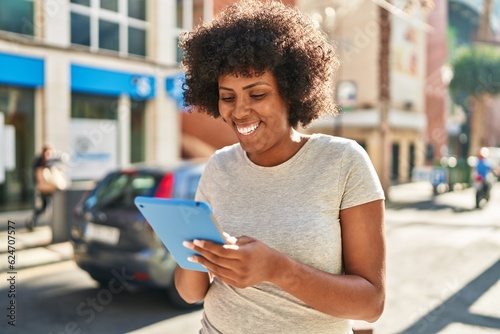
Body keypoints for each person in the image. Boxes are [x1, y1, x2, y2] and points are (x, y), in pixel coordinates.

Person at [174, 1, 386, 333]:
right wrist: (194, 252)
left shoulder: (344, 161)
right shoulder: (219, 166)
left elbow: (371, 304)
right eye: (227, 97)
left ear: (291, 92)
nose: (240, 111)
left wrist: (278, 269)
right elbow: (191, 293)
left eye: (257, 94)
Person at [26, 144, 65, 231]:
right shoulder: (39, 162)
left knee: (49, 206)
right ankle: (32, 221)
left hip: (50, 188)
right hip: (44, 189)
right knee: (45, 207)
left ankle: (35, 222)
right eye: (48, 152)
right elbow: (37, 176)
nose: (50, 154)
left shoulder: (49, 161)